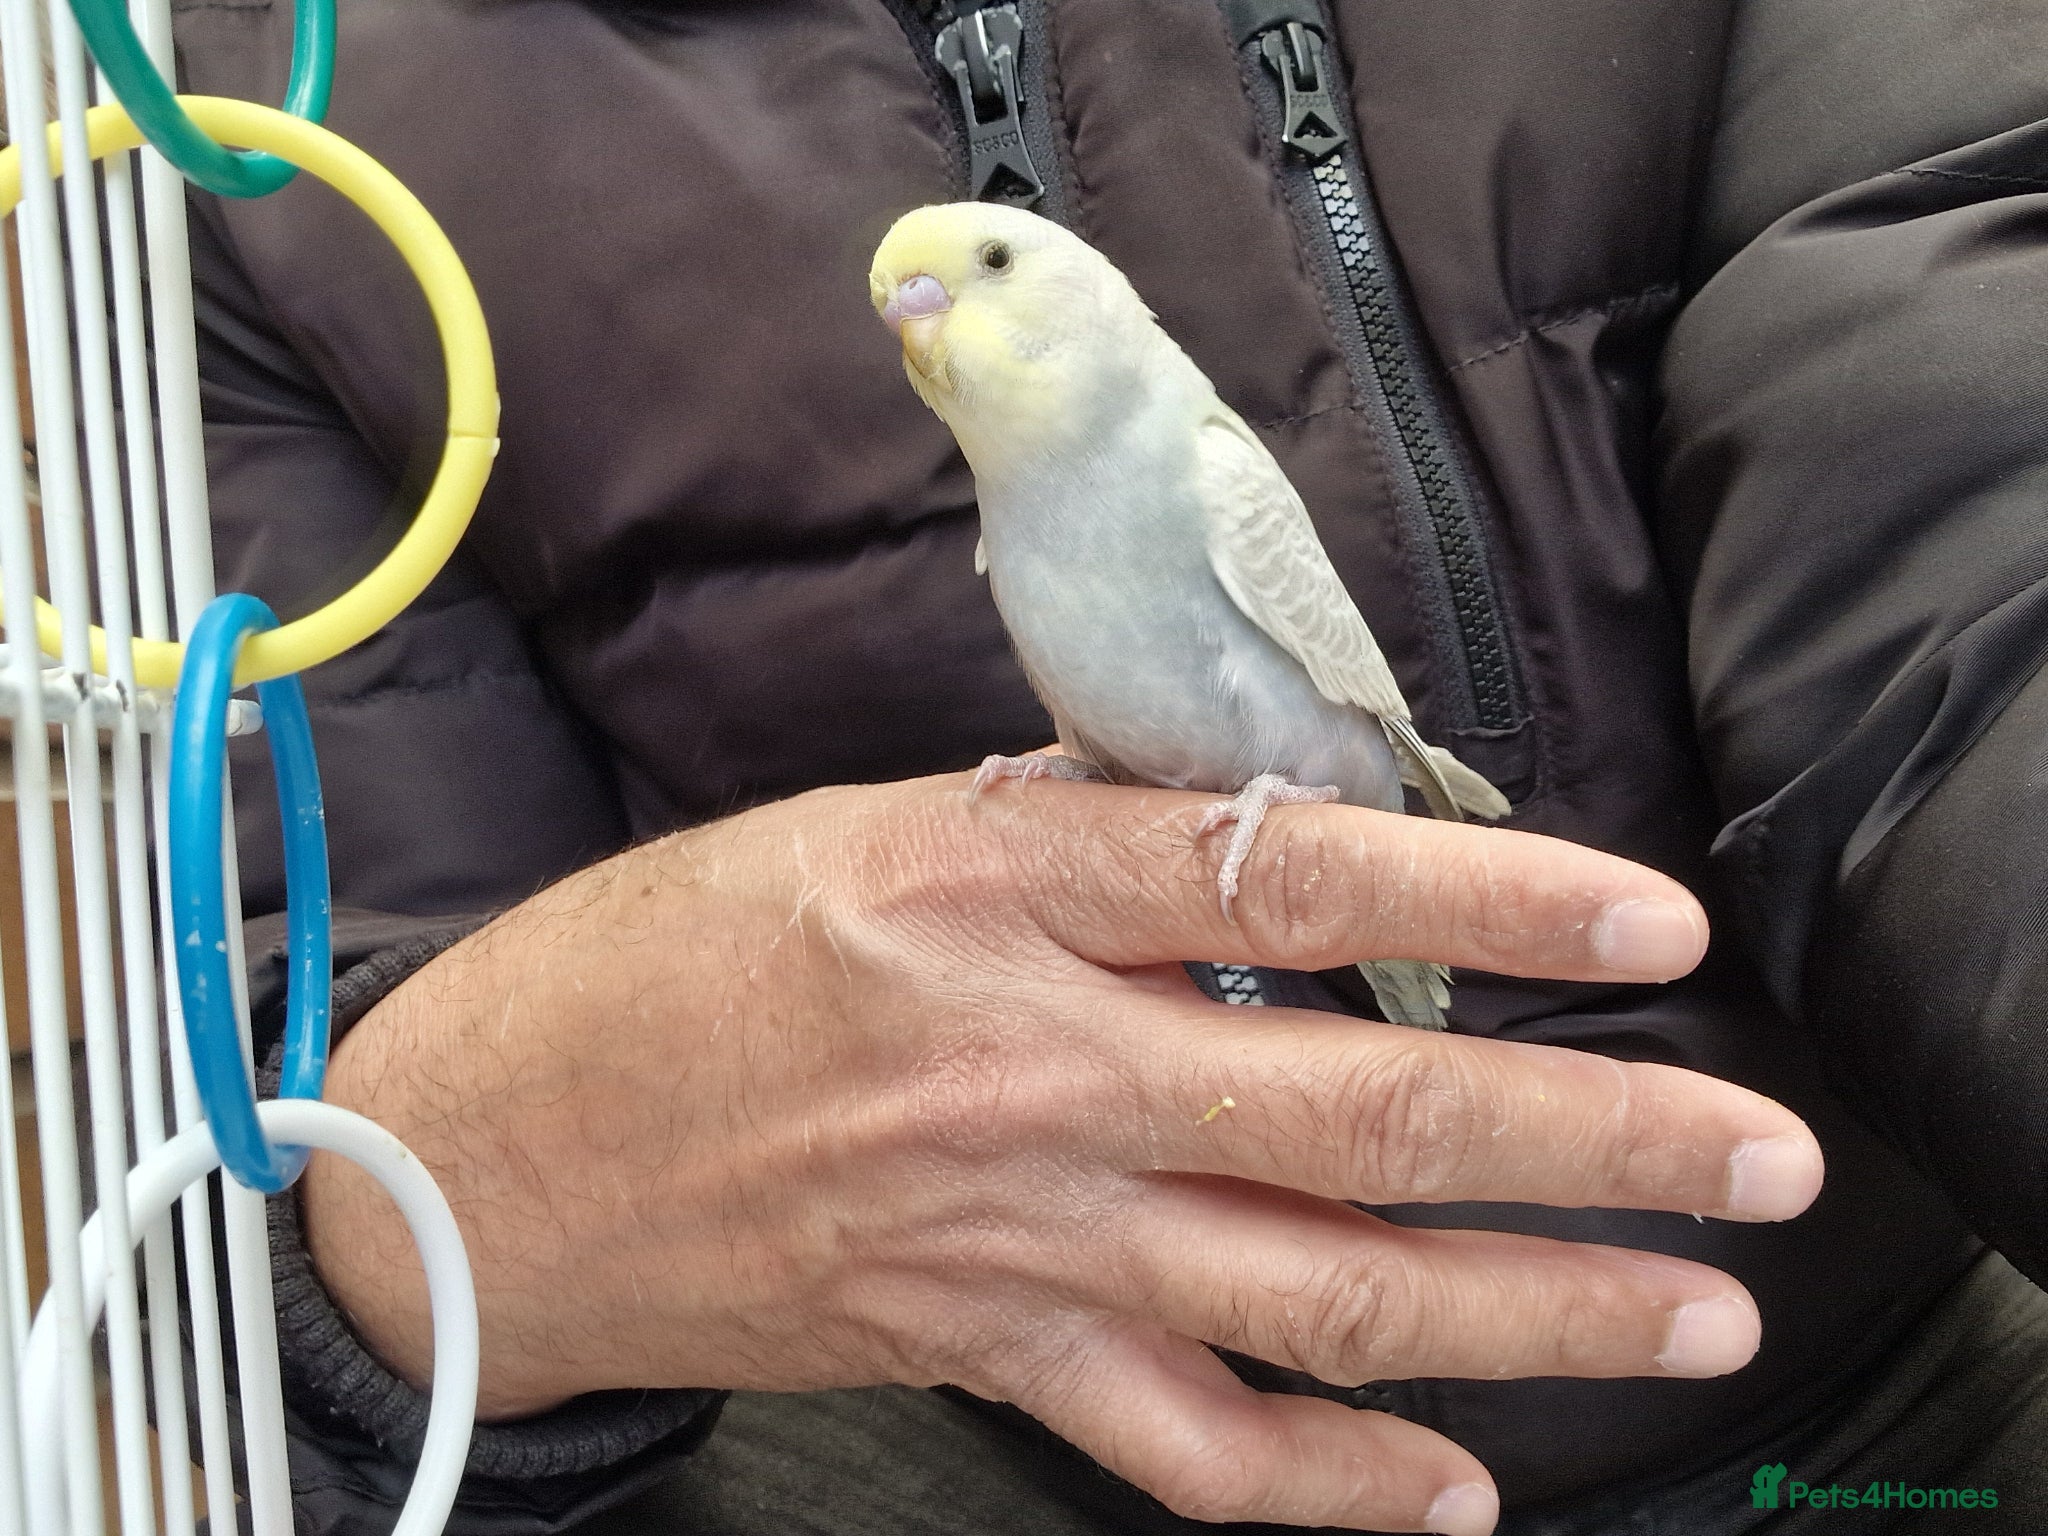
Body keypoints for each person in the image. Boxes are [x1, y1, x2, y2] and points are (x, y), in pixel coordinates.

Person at [174, 0, 2048, 1531]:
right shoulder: (240, 125)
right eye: (905, 294)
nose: (919, 316)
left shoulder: (1207, 467)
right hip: (927, 1432)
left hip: (1885, 1359)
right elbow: (287, 971)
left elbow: (1969, 543)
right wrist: (474, 1164)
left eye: (970, 272)